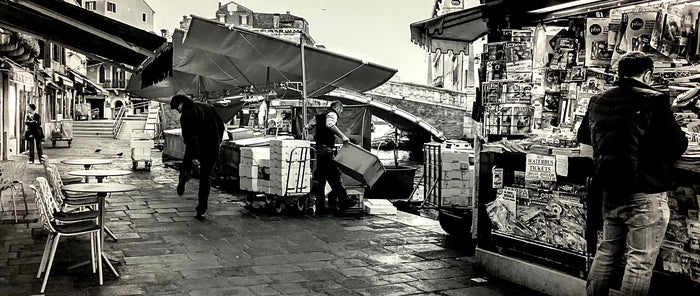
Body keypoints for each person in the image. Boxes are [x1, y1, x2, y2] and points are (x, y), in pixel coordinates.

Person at [577, 52, 688, 296]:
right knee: (640, 260)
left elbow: (584, 138)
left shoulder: (598, 99)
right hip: (644, 190)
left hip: (609, 189)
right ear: (648, 74)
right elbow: (677, 145)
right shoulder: (654, 99)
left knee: (607, 251)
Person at [170, 94, 225, 221]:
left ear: (181, 104)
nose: (178, 111)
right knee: (206, 179)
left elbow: (189, 138)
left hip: (197, 148)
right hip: (212, 148)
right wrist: (218, 143)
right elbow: (221, 126)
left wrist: (194, 155)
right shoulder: (208, 107)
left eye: (177, 108)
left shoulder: (186, 114)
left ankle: (185, 175)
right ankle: (201, 211)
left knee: (186, 165)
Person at [304, 100, 357, 214]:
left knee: (321, 178)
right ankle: (344, 200)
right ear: (338, 108)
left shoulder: (319, 115)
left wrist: (308, 133)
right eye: (340, 112)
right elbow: (330, 124)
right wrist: (343, 136)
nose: (340, 114)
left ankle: (321, 206)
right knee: (334, 175)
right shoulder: (332, 114)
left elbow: (308, 126)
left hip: (318, 149)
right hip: (326, 150)